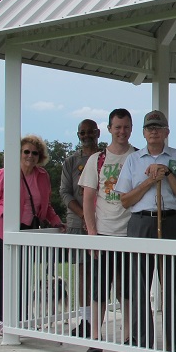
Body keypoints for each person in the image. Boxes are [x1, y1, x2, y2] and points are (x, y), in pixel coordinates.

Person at [114, 110, 176, 352]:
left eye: (159, 127)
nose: (154, 131)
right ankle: (142, 345)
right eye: (150, 128)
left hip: (169, 221)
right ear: (144, 132)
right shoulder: (133, 160)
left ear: (166, 131)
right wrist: (150, 181)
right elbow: (125, 200)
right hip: (141, 222)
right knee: (139, 285)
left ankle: (175, 345)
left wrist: (167, 174)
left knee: (171, 285)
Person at [0, 135, 66, 336]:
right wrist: (5, 212)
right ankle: (3, 319)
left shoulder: (42, 176)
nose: (30, 156)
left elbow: (46, 205)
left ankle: (22, 317)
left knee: (24, 275)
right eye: (26, 152)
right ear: (19, 153)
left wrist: (56, 221)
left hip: (28, 228)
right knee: (5, 274)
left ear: (40, 156)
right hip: (3, 228)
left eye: (34, 153)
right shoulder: (6, 173)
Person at [79, 109, 135, 352]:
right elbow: (88, 198)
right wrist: (92, 233)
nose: (122, 132)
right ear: (110, 128)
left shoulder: (138, 157)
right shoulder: (97, 160)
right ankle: (95, 338)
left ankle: (128, 335)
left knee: (128, 290)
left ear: (131, 128)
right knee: (99, 289)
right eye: (117, 127)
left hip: (130, 234)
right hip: (103, 233)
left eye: (126, 127)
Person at [60, 119, 101, 338]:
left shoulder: (105, 158)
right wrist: (83, 215)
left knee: (104, 274)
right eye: (82, 133)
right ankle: (86, 321)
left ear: (98, 133)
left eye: (90, 132)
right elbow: (65, 193)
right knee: (84, 274)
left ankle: (97, 322)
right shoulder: (71, 162)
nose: (86, 136)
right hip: (78, 225)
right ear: (78, 135)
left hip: (103, 224)